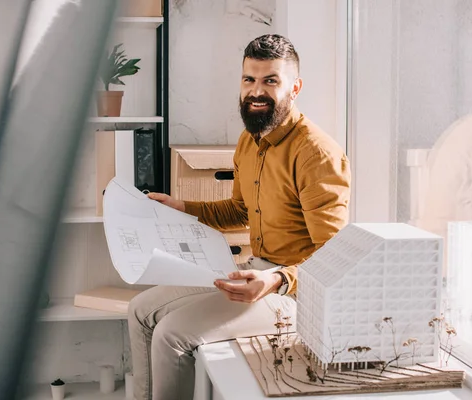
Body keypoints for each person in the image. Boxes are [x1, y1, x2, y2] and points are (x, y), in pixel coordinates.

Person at [127, 34, 351, 400]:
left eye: (270, 80)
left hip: (296, 294)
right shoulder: (251, 139)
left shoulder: (317, 154)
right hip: (254, 269)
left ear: (294, 87)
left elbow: (336, 258)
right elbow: (239, 210)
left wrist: (276, 279)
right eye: (249, 79)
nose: (256, 91)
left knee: (171, 334)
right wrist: (182, 208)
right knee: (139, 310)